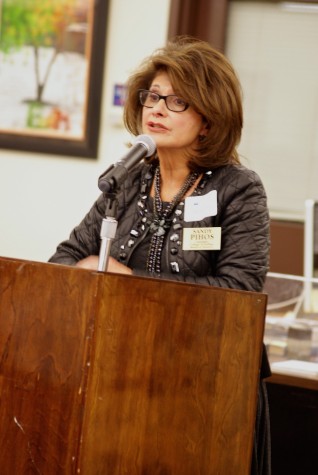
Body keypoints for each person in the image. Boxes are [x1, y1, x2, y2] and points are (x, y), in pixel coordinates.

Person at [49, 36, 271, 474]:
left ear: (208, 119)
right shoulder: (129, 181)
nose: (157, 109)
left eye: (177, 102)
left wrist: (130, 287)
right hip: (128, 376)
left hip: (206, 388)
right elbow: (64, 259)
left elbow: (239, 292)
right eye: (153, 97)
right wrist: (87, 269)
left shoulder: (238, 189)